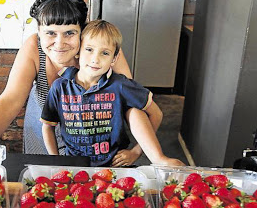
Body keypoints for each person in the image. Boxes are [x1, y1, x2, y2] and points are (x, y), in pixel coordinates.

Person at [0, 0, 158, 166]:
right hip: (44, 128)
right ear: (38, 32)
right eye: (50, 33)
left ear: (82, 31)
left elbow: (131, 104)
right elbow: (10, 101)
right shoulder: (33, 47)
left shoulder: (100, 48)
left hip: (96, 138)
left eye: (69, 33)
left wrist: (137, 150)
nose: (59, 44)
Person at [41, 20, 184, 167]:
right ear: (78, 51)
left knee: (136, 111)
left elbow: (156, 114)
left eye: (105, 53)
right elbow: (47, 126)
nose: (95, 59)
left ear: (114, 59)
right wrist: (56, 161)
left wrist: (135, 152)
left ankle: (161, 160)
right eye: (89, 49)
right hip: (74, 166)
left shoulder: (120, 85)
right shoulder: (60, 87)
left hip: (115, 166)